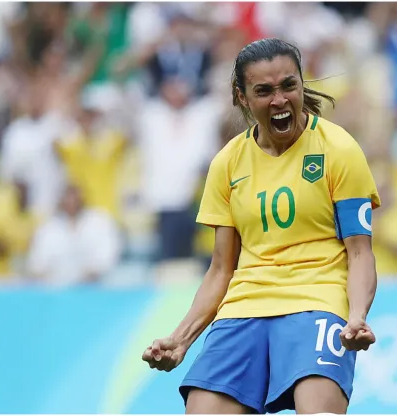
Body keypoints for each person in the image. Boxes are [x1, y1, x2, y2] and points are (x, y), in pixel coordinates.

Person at [141, 37, 381, 414]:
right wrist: (181, 338)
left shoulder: (339, 149)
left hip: (318, 299)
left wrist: (356, 317)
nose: (280, 100)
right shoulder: (228, 163)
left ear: (303, 84)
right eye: (264, 91)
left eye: (289, 85)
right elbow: (221, 269)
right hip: (245, 305)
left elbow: (360, 252)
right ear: (242, 97)